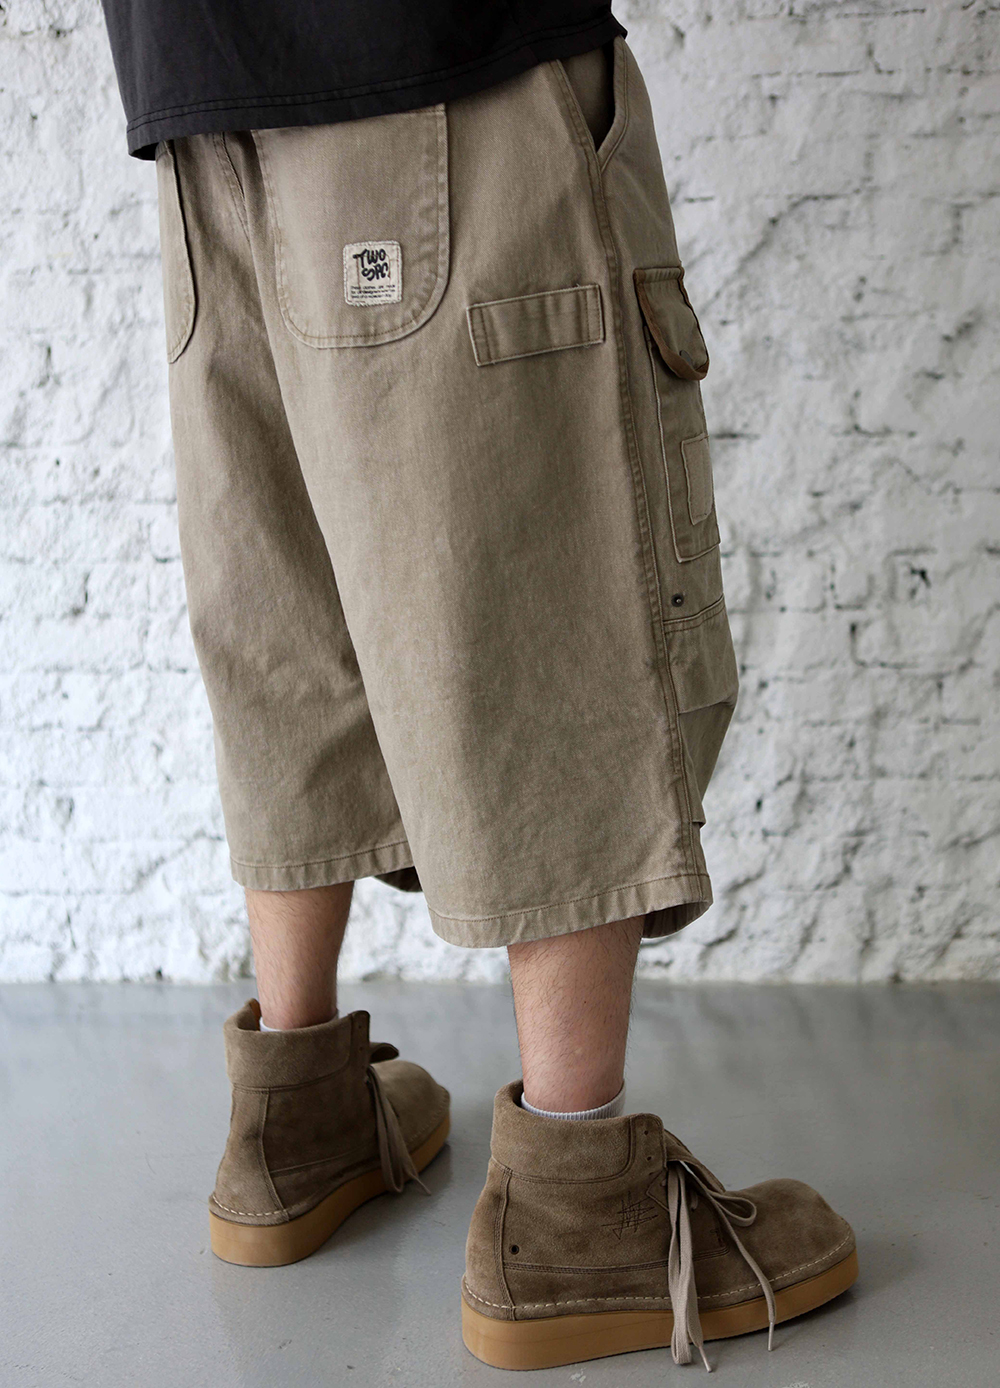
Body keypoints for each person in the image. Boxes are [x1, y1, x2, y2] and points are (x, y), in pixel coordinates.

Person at [97, 2, 858, 1371]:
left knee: (290, 605)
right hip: (441, 52)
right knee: (545, 590)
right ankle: (577, 1204)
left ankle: (293, 1116)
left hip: (196, 87)